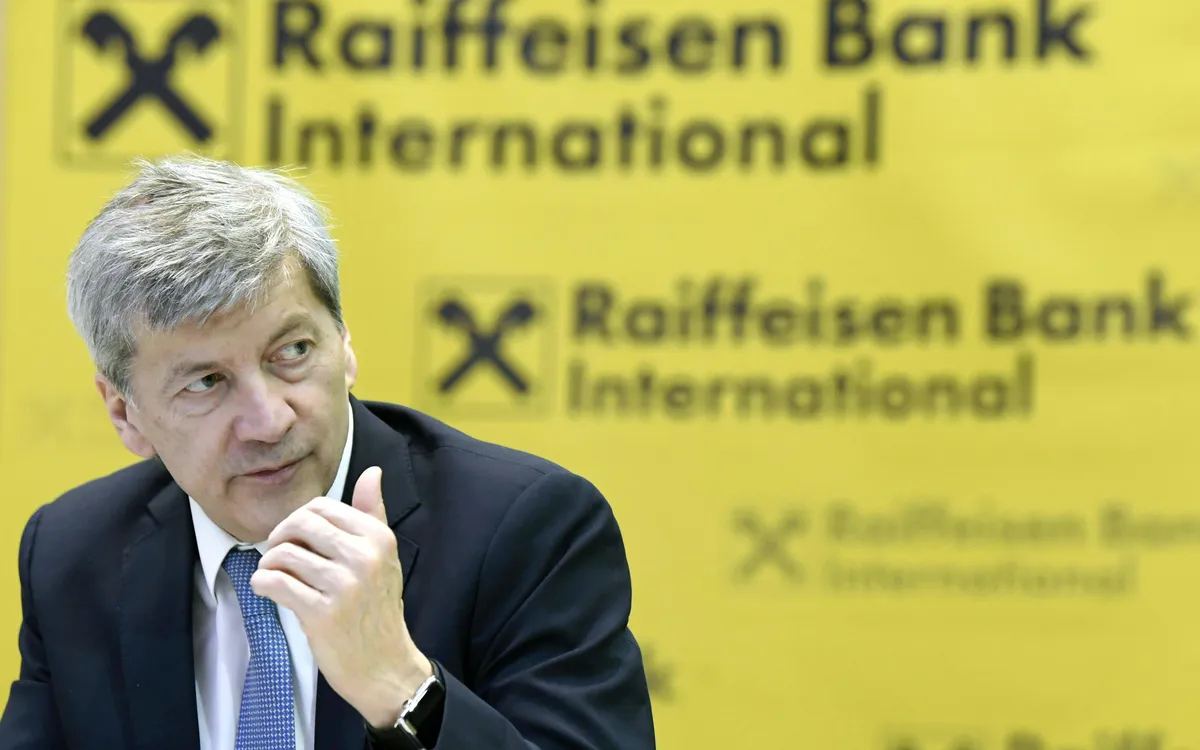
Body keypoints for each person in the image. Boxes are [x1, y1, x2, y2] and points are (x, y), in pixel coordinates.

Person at [0, 155, 655, 749]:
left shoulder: (521, 531)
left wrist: (400, 686)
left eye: (292, 351)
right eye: (206, 382)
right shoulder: (73, 557)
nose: (268, 420)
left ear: (344, 344)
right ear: (125, 413)